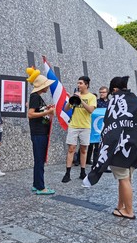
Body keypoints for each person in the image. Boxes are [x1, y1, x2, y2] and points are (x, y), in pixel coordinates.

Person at [83, 76, 137, 219]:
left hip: (120, 146)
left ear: (115, 89)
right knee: (126, 178)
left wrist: (106, 146)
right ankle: (120, 207)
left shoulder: (116, 100)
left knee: (123, 179)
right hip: (136, 146)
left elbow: (110, 125)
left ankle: (129, 211)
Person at [61, 76, 97, 183]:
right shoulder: (76, 95)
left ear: (86, 85)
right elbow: (66, 109)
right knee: (71, 148)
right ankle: (67, 173)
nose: (78, 85)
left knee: (83, 149)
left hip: (85, 126)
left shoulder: (91, 97)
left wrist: (81, 100)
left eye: (81, 83)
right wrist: (71, 99)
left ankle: (82, 172)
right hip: (73, 125)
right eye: (78, 83)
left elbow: (90, 110)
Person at [26, 67, 56, 195]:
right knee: (39, 160)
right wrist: (47, 111)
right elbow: (31, 114)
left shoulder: (37, 97)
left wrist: (45, 109)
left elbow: (38, 111)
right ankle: (40, 187)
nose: (48, 87)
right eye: (46, 85)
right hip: (38, 133)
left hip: (41, 132)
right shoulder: (34, 97)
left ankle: (36, 184)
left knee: (39, 160)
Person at [89, 86, 110, 167]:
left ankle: (104, 165)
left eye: (103, 92)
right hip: (97, 128)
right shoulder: (96, 102)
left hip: (107, 127)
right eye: (100, 92)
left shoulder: (110, 102)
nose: (101, 94)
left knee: (106, 147)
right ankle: (95, 165)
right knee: (97, 147)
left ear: (107, 93)